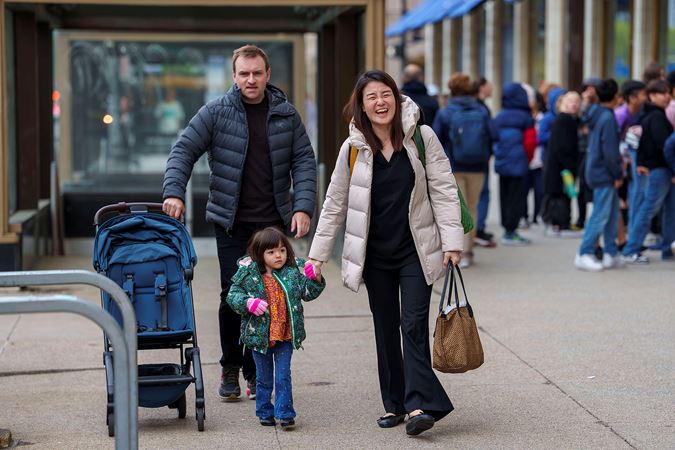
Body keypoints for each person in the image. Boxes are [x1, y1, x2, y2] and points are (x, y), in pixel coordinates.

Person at [308, 70, 463, 436]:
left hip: (415, 249)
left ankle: (419, 405)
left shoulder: (422, 138)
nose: (380, 102)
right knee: (384, 328)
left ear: (396, 97)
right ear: (361, 106)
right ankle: (394, 403)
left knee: (412, 324)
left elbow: (444, 189)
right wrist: (316, 256)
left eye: (386, 94)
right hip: (374, 255)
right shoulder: (354, 149)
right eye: (371, 97)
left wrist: (453, 242)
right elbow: (334, 205)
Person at [162, 44, 317, 402]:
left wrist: (303, 206)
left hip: (272, 226)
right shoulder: (216, 112)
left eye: (257, 73)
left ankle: (254, 368)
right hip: (232, 224)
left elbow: (304, 162)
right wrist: (173, 191)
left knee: (271, 296)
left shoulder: (285, 114)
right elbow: (183, 150)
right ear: (234, 76)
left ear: (267, 75)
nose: (251, 79)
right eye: (244, 73)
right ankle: (232, 365)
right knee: (234, 296)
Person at [226, 227, 325, 428]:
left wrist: (315, 278)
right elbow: (232, 295)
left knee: (282, 376)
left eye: (281, 250)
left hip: (285, 336)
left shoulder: (291, 274)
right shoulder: (249, 275)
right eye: (271, 252)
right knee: (263, 378)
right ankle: (264, 411)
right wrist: (248, 303)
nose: (278, 255)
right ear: (259, 254)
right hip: (259, 337)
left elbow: (308, 292)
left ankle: (285, 414)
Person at [433, 73, 494, 268]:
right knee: (473, 208)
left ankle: (455, 249)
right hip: (478, 166)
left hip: (453, 167)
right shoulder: (482, 110)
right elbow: (493, 135)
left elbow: (435, 141)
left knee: (457, 209)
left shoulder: (446, 112)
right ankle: (468, 252)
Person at [622, 79, 674, 263]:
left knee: (667, 210)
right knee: (649, 210)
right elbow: (664, 146)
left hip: (657, 168)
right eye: (663, 93)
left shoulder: (647, 116)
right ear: (652, 96)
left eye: (668, 92)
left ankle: (668, 248)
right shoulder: (656, 117)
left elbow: (640, 144)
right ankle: (631, 249)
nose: (667, 96)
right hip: (660, 170)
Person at [574, 79, 624, 272]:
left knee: (611, 213)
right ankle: (584, 252)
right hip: (604, 172)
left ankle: (611, 252)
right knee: (601, 214)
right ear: (615, 96)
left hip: (596, 169)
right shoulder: (608, 118)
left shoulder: (596, 113)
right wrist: (617, 173)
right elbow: (610, 152)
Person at [493, 82, 535, 245]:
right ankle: (512, 230)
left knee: (504, 194)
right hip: (519, 161)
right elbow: (530, 141)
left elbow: (494, 137)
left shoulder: (499, 115)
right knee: (517, 196)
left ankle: (506, 228)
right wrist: (528, 158)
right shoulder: (526, 116)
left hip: (503, 160)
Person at [542, 91, 581, 236]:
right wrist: (568, 165)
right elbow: (563, 147)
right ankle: (559, 224)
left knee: (563, 195)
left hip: (561, 166)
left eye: (577, 101)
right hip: (560, 167)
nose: (574, 104)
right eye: (571, 101)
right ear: (563, 103)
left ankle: (559, 223)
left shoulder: (569, 119)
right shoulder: (564, 120)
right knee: (559, 196)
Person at [474, 77, 498, 247]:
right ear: (482, 87)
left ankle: (470, 231)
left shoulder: (456, 108)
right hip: (480, 158)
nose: (491, 88)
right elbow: (493, 134)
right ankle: (478, 229)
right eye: (489, 85)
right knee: (483, 194)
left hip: (457, 160)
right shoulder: (483, 109)